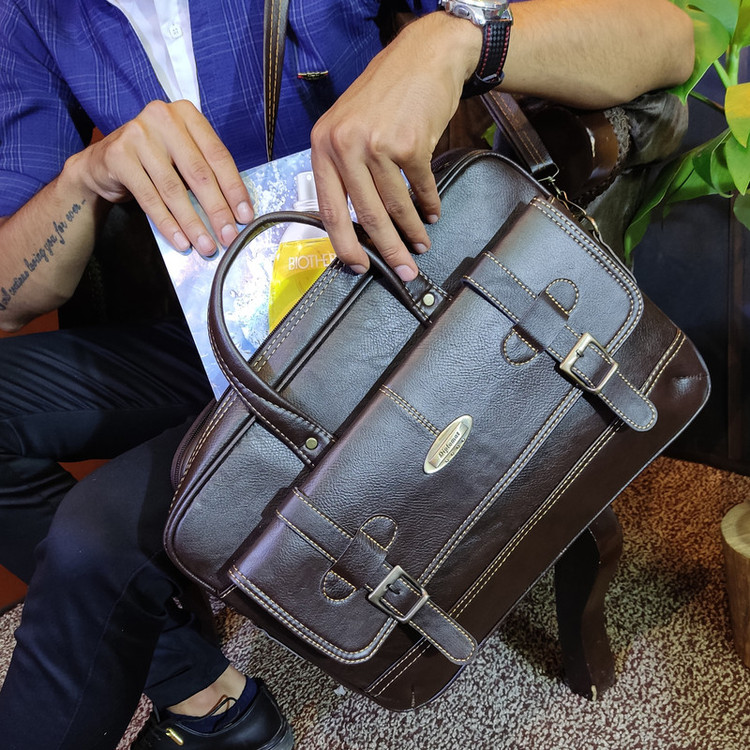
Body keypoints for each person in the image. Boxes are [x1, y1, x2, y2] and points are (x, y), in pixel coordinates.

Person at [0, 1, 694, 748]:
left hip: (397, 312)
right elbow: (13, 301)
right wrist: (86, 176)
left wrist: (452, 41)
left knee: (91, 545)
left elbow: (668, 43)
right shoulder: (33, 13)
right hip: (226, 333)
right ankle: (208, 698)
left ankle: (219, 720)